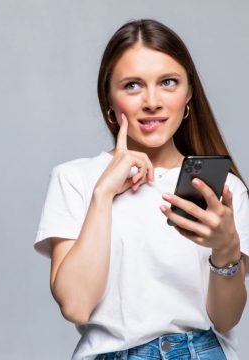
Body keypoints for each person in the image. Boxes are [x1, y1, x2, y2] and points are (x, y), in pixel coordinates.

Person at [33, 19, 249, 360]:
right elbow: (75, 306)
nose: (152, 101)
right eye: (133, 85)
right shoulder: (76, 179)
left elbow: (225, 319)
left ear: (189, 93)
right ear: (110, 96)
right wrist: (103, 193)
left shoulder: (220, 189)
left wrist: (227, 250)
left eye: (168, 82)